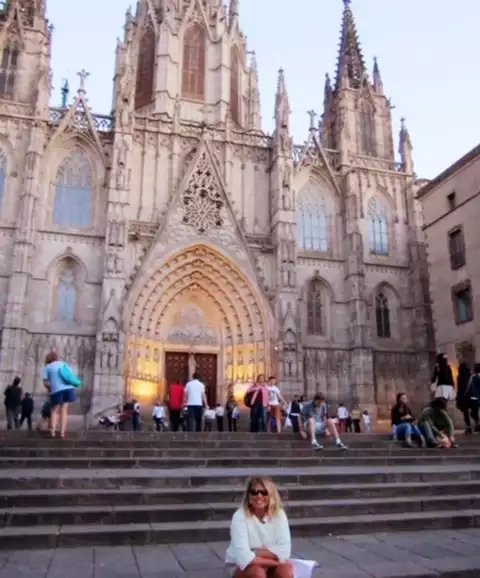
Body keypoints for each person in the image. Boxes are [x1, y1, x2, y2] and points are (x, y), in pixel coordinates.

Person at [225, 477, 293, 578]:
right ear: (248, 495)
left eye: (264, 492)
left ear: (271, 495)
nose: (259, 496)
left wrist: (255, 552)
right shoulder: (240, 516)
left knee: (285, 571)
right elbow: (244, 557)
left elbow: (285, 550)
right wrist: (276, 562)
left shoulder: (279, 514)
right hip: (240, 565)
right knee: (257, 573)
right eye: (254, 492)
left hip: (269, 560)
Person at [43, 352, 77, 439]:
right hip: (69, 389)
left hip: (57, 390)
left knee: (54, 410)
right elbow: (70, 377)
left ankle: (53, 432)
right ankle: (62, 433)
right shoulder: (64, 365)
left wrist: (50, 389)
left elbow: (46, 383)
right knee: (64, 411)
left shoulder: (47, 367)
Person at [464, 362, 480, 432]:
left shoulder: (473, 377)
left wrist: (465, 393)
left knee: (473, 412)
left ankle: (477, 424)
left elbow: (469, 386)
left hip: (474, 396)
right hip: (477, 396)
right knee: (475, 412)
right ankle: (477, 425)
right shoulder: (474, 376)